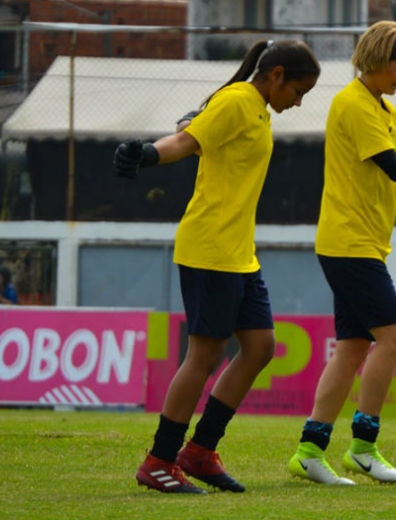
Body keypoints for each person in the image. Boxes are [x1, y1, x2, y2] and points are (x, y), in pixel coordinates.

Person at [114, 40, 320, 494]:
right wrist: (147, 154)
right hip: (210, 248)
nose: (299, 102)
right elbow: (186, 140)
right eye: (299, 91)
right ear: (277, 74)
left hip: (238, 252)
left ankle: (201, 450)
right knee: (204, 355)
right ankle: (160, 460)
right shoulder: (238, 101)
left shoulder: (256, 106)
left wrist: (186, 127)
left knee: (261, 347)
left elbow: (193, 126)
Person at [287, 20, 396, 486]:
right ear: (374, 62)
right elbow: (391, 167)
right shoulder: (354, 104)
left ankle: (309, 451)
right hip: (350, 244)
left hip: (359, 243)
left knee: (350, 348)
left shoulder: (382, 107)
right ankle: (363, 448)